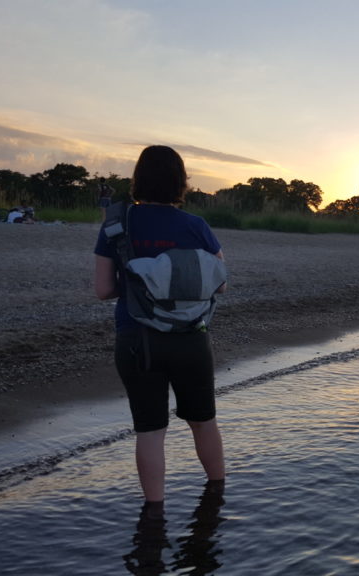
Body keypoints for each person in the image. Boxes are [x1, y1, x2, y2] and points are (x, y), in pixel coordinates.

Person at [93, 145, 226, 505]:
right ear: (181, 181)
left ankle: (154, 515)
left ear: (138, 179)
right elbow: (221, 284)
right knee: (203, 422)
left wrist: (139, 284)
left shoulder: (117, 225)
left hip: (137, 340)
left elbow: (103, 290)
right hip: (190, 338)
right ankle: (216, 501)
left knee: (150, 431)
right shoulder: (196, 226)